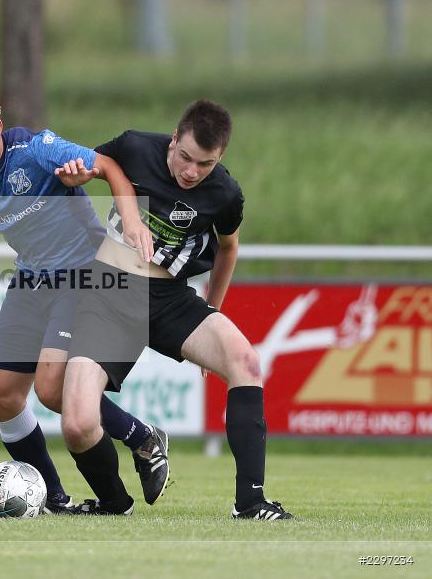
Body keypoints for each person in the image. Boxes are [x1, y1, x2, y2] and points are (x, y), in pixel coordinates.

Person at [0, 80, 170, 514]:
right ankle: (54, 499)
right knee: (2, 396)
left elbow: (108, 166)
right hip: (31, 280)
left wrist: (132, 222)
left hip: (84, 274)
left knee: (51, 388)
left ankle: (142, 439)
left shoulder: (36, 149)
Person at [58, 99, 294, 519]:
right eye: (185, 157)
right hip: (108, 294)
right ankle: (114, 503)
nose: (191, 171)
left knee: (246, 361)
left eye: (205, 164)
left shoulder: (224, 193)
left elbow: (228, 247)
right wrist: (76, 173)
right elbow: (91, 166)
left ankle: (251, 503)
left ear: (219, 157)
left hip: (169, 298)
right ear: (173, 139)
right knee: (76, 423)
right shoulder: (134, 147)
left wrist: (212, 310)